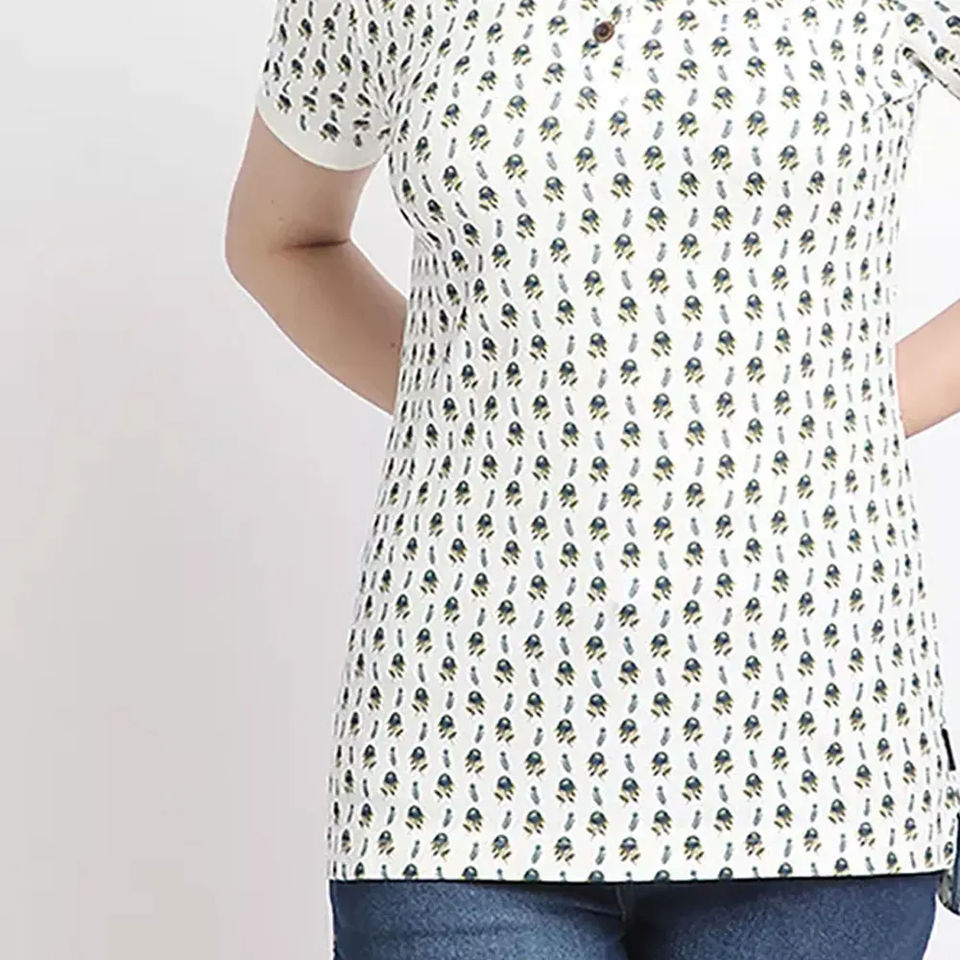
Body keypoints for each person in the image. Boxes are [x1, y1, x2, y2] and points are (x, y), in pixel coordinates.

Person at [225, 1, 960, 957]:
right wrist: (486, 400)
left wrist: (831, 412)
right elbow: (280, 238)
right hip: (453, 754)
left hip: (814, 743)